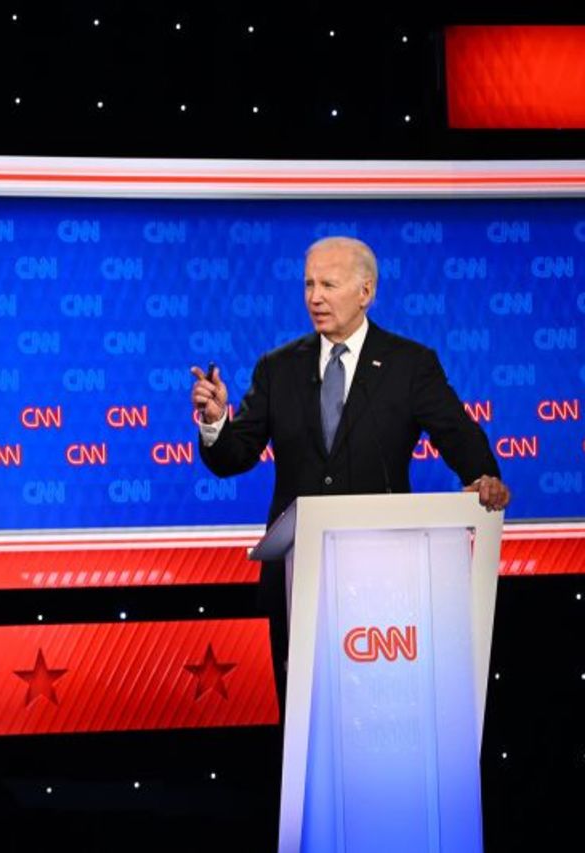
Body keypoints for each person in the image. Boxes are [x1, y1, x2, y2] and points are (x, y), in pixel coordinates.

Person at [189, 235, 509, 701]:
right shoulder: (277, 368)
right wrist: (217, 421)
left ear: (366, 292)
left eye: (328, 285)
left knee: (379, 705)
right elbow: (232, 457)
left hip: (383, 576)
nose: (314, 297)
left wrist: (481, 475)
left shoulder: (409, 364)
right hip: (298, 578)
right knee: (299, 710)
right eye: (308, 285)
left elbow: (456, 433)